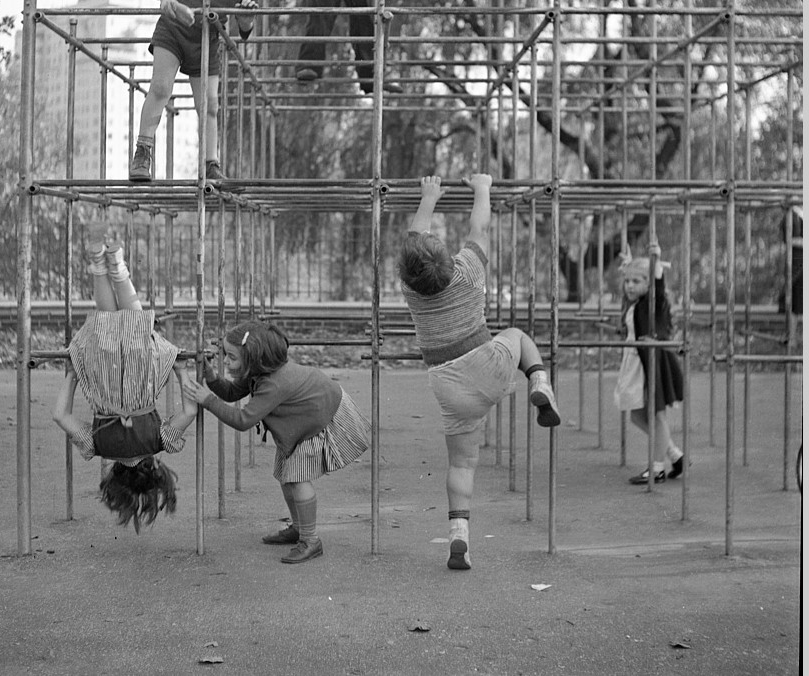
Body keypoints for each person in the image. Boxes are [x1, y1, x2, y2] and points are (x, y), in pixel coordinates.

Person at [397, 173, 559, 571]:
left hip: (448, 385)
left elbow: (414, 240)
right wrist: (482, 188)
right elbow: (479, 227)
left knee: (462, 464)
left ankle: (460, 537)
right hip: (489, 366)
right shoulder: (468, 272)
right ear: (448, 259)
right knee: (518, 335)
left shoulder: (411, 291)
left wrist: (427, 198)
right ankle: (539, 380)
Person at [179, 321, 370, 565]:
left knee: (298, 479)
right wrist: (210, 376)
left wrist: (208, 401)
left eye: (231, 357)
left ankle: (311, 540)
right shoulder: (259, 372)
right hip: (302, 419)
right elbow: (231, 393)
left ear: (254, 359)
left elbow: (243, 420)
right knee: (286, 476)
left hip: (317, 421)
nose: (225, 361)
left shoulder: (274, 383)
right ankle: (300, 528)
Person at [53, 234, 202, 532]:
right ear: (115, 475)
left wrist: (180, 370)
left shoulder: (161, 443)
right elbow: (61, 416)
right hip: (103, 370)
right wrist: (72, 374)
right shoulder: (96, 446)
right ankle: (99, 265)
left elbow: (189, 412)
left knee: (134, 319)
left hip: (139, 371)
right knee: (106, 319)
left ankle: (117, 264)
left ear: (156, 469)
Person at [130, 0, 285, 183]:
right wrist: (166, 0)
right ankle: (143, 151)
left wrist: (246, 16)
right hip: (174, 31)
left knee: (210, 105)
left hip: (207, 40)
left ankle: (211, 163)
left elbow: (245, 30)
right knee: (161, 88)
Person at [616, 242, 687, 485]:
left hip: (653, 363)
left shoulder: (653, 302)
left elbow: (658, 288)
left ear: (648, 284)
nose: (630, 286)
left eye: (637, 281)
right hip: (637, 363)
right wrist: (630, 266)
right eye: (628, 281)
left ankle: (657, 468)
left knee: (656, 415)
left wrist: (655, 263)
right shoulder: (635, 305)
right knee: (637, 415)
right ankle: (674, 455)